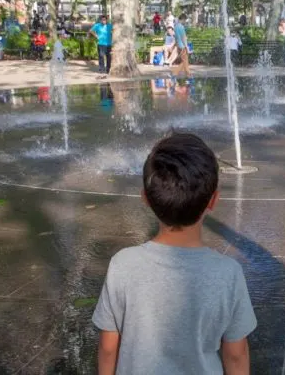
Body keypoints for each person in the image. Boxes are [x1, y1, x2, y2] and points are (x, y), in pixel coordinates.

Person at [93, 133, 256, 375]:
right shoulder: (228, 274)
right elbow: (236, 354)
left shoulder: (123, 265)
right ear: (213, 201)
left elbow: (108, 349)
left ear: (145, 198)